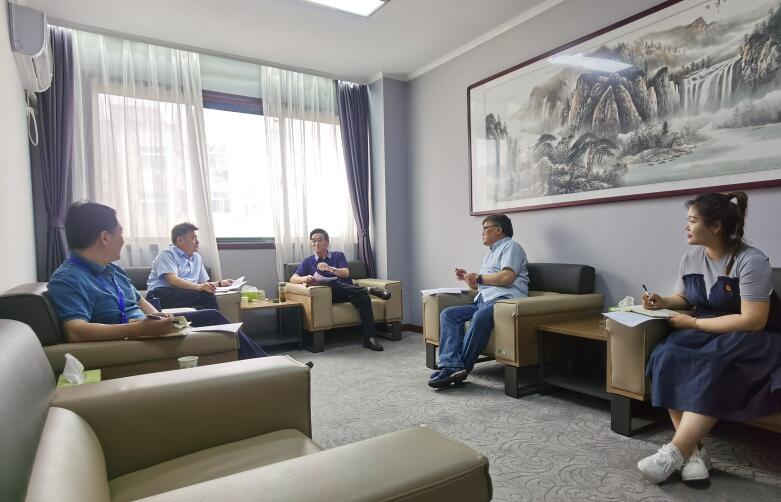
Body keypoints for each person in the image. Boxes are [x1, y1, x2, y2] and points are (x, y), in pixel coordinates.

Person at [637, 192, 781, 483]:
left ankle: (674, 452)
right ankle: (694, 453)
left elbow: (753, 320)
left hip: (750, 335)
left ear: (715, 226)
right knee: (666, 353)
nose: (686, 226)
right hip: (706, 328)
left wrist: (693, 323)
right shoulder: (691, 257)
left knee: (714, 361)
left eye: (692, 221)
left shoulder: (752, 260)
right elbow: (683, 296)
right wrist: (662, 301)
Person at [47, 202, 267, 359]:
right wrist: (139, 329)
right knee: (214, 324)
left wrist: (158, 316)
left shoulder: (112, 270)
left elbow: (139, 300)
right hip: (133, 338)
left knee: (211, 316)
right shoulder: (68, 279)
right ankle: (265, 369)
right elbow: (75, 331)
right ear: (105, 237)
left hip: (146, 328)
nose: (123, 240)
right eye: (120, 233)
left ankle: (263, 365)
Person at [428, 213, 529, 389]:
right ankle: (451, 365)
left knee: (480, 317)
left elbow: (507, 277)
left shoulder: (511, 246)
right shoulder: (490, 254)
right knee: (448, 314)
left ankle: (459, 369)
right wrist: (468, 278)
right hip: (483, 300)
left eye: (485, 228)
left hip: (504, 302)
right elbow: (480, 285)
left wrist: (479, 278)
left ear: (498, 230)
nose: (482, 233)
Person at [290, 228, 390, 351]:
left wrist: (330, 269)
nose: (316, 243)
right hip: (331, 295)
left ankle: (369, 338)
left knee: (363, 297)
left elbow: (346, 273)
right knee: (333, 284)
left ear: (327, 242)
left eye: (319, 240)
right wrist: (306, 278)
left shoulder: (338, 255)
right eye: (313, 241)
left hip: (348, 292)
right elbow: (293, 279)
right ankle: (367, 290)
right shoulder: (308, 261)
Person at [146, 223, 233, 310]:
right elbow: (173, 280)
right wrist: (198, 287)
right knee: (206, 295)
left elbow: (202, 284)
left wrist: (219, 283)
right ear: (180, 240)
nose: (197, 242)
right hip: (159, 294)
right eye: (193, 238)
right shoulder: (167, 254)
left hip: (184, 293)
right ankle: (219, 319)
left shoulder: (197, 257)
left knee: (200, 307)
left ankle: (215, 318)